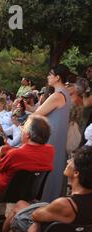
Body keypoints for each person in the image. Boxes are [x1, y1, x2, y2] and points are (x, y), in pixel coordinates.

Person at [1, 146, 92, 232]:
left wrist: (37, 221)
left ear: (77, 173)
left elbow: (36, 215)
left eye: (71, 161)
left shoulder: (66, 205)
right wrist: (37, 222)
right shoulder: (80, 202)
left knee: (18, 210)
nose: (68, 162)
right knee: (21, 204)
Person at [0, 115, 55, 214]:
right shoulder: (50, 150)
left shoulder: (15, 154)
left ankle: (0, 213)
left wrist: (0, 153)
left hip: (6, 193)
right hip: (31, 192)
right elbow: (31, 154)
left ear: (27, 135)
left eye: (23, 127)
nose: (21, 129)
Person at [34, 64, 72, 202]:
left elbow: (37, 114)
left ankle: (46, 202)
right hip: (58, 137)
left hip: (52, 138)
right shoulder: (65, 93)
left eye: (50, 74)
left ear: (57, 77)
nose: (48, 76)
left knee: (50, 171)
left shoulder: (57, 95)